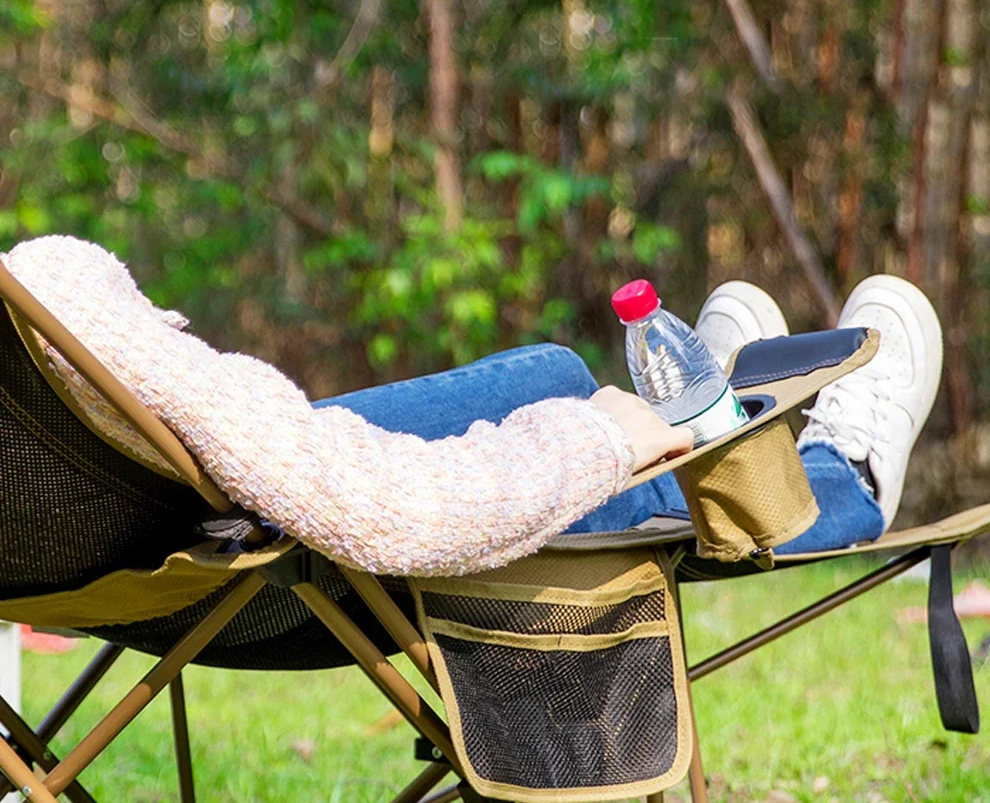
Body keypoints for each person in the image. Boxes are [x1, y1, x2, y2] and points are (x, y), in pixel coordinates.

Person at [1, 236, 941, 574]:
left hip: (121, 557)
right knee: (550, 382)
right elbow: (392, 515)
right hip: (254, 562)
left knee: (545, 381)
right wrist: (596, 436)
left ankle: (714, 420)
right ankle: (829, 477)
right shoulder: (46, 295)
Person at [318, 275, 943, 555]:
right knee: (553, 386)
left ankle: (697, 428)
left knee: (556, 391)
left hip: (262, 523)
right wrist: (594, 434)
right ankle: (846, 479)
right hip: (295, 493)